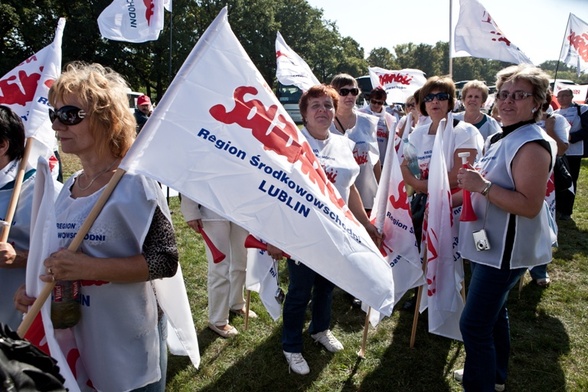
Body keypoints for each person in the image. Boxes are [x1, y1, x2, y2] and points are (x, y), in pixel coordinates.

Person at [15, 62, 178, 391]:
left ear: (108, 120)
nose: (58, 124)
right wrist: (36, 293)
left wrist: (85, 267)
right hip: (80, 338)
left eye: (71, 114)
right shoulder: (71, 186)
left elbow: (165, 259)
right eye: (54, 114)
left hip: (126, 340)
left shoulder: (135, 184)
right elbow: (59, 259)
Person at [267, 84, 380, 375]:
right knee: (299, 292)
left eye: (328, 105)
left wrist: (365, 223)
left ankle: (319, 329)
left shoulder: (343, 143)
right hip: (301, 233)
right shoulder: (292, 143)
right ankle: (291, 345)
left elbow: (350, 186)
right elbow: (275, 191)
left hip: (335, 231)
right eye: (315, 105)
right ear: (303, 113)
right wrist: (274, 236)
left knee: (327, 286)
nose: (323, 110)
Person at [456, 64, 556, 392]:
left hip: (506, 252)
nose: (508, 101)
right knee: (494, 315)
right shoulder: (505, 135)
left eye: (519, 95)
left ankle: (479, 383)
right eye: (504, 94)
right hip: (491, 244)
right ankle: (495, 376)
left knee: (473, 325)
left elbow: (528, 205)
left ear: (537, 102)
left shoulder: (531, 144)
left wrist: (482, 186)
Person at [399, 76, 483, 310]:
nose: (435, 102)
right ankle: (421, 297)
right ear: (423, 103)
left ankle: (452, 300)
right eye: (429, 97)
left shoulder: (464, 131)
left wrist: (424, 186)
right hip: (423, 202)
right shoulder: (416, 134)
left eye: (441, 96)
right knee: (422, 251)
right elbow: (407, 167)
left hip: (456, 204)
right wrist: (420, 186)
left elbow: (460, 172)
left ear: (451, 101)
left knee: (453, 255)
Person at [0, 106, 61, 331]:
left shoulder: (45, 192)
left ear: (2, 145)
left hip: (20, 323)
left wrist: (21, 257)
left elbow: (69, 253)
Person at [180, 197, 256, 338]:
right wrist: (190, 210)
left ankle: (237, 303)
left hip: (241, 208)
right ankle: (218, 320)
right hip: (212, 208)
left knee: (241, 261)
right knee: (220, 268)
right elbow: (189, 175)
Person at [528, 89, 570, 287]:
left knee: (544, 222)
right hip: (522, 176)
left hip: (548, 180)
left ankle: (540, 269)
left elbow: (562, 149)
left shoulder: (558, 120)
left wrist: (550, 129)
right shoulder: (524, 119)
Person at [330, 73, 381, 214]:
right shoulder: (325, 123)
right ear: (334, 94)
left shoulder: (369, 122)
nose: (350, 96)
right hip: (337, 197)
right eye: (344, 92)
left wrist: (382, 190)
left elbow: (375, 159)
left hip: (367, 196)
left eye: (354, 91)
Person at [554, 88, 588, 220]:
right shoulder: (556, 113)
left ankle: (566, 211)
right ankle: (557, 207)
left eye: (565, 96)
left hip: (574, 152)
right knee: (558, 178)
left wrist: (571, 137)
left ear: (571, 96)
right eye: (559, 96)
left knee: (570, 180)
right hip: (559, 152)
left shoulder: (582, 110)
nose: (561, 98)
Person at [359, 87, 397, 164]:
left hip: (382, 160)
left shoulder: (389, 118)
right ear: (370, 100)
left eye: (379, 103)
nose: (376, 105)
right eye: (373, 101)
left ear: (384, 103)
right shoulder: (360, 114)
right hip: (364, 158)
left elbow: (394, 140)